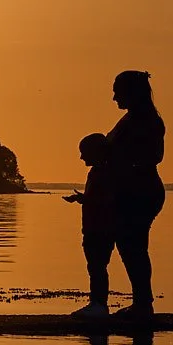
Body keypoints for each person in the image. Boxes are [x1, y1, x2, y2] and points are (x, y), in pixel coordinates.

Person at [105, 70, 166, 319]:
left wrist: (124, 165)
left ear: (131, 93)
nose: (114, 98)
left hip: (142, 191)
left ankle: (143, 304)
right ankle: (142, 302)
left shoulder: (146, 120)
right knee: (130, 245)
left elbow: (154, 156)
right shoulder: (132, 119)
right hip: (133, 190)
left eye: (117, 91)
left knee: (134, 246)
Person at [63, 133, 116, 321]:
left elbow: (105, 200)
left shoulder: (105, 172)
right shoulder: (100, 171)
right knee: (95, 266)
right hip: (94, 227)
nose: (81, 157)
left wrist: (85, 199)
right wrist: (82, 198)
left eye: (84, 152)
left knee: (97, 266)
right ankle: (97, 303)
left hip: (100, 228)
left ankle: (99, 305)